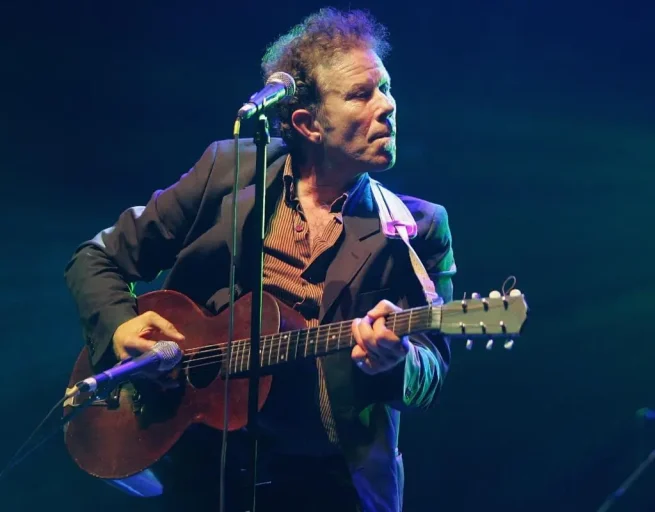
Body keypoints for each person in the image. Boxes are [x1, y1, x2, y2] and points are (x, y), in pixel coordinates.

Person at [64, 7, 457, 512]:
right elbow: (95, 259)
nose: (388, 106)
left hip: (329, 486)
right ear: (306, 123)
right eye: (362, 94)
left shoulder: (415, 227)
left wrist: (397, 362)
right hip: (203, 472)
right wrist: (119, 330)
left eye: (386, 87)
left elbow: (433, 374)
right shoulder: (228, 172)